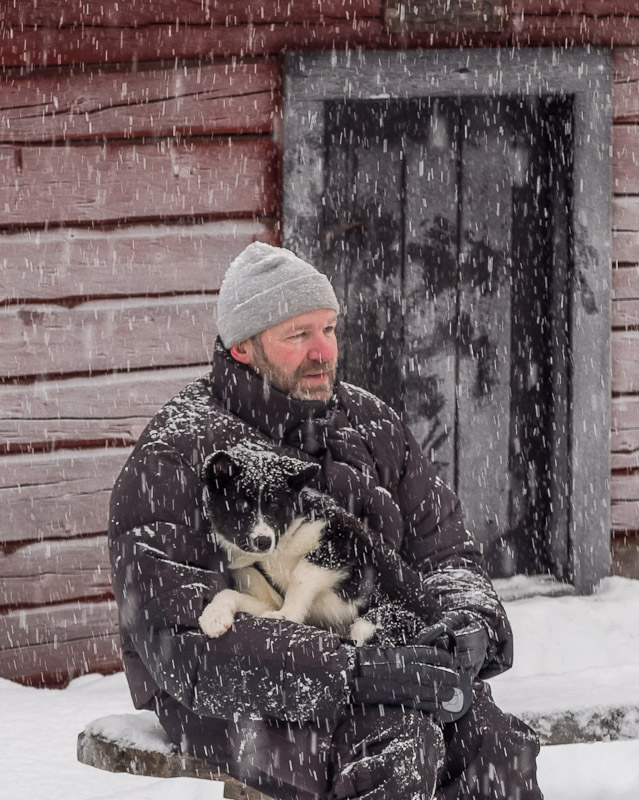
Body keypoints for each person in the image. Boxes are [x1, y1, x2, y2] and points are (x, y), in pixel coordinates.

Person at [109, 242, 543, 800]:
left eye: (329, 328)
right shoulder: (177, 454)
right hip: (240, 696)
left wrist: (469, 626)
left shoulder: (370, 422)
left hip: (383, 652)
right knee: (396, 747)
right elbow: (181, 639)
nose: (322, 351)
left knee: (492, 745)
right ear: (243, 347)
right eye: (298, 335)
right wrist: (354, 672)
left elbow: (447, 554)